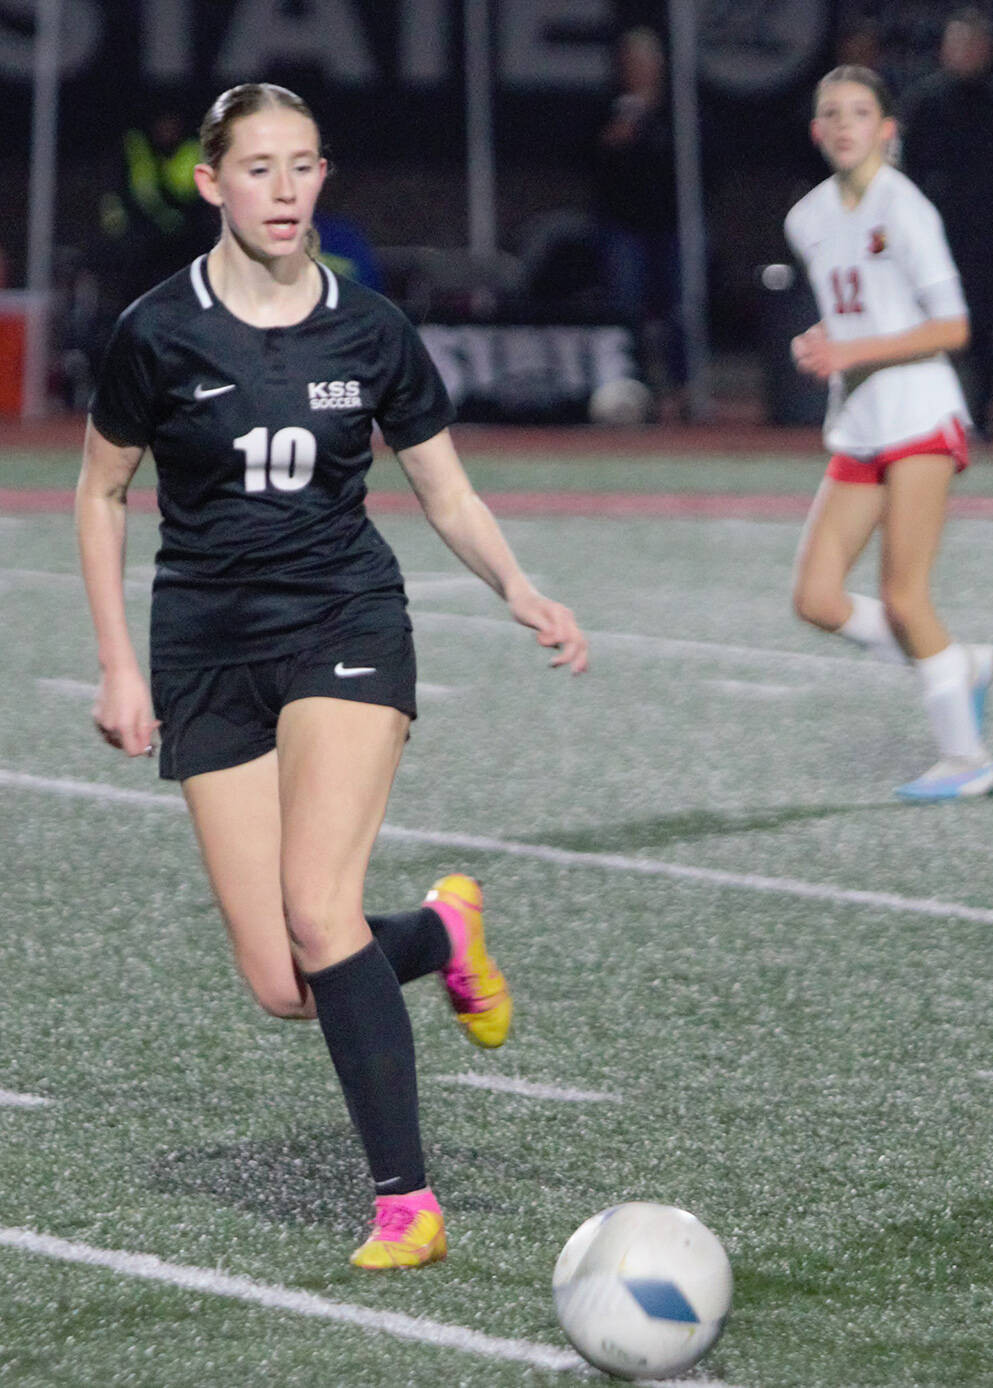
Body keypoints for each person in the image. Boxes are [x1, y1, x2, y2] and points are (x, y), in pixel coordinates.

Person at [75, 83, 589, 1268]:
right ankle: (441, 933)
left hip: (343, 621)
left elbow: (443, 487)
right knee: (283, 978)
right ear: (212, 183)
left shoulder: (370, 330)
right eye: (258, 168)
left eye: (303, 165)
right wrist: (116, 664)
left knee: (317, 909)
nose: (286, 190)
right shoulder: (157, 330)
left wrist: (518, 587)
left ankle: (406, 1201)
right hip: (204, 646)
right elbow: (101, 493)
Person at [785, 65, 993, 802]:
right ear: (817, 132)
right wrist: (824, 339)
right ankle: (958, 663)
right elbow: (864, 313)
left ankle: (967, 759)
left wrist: (849, 350)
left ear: (887, 129)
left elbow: (953, 327)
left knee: (905, 596)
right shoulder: (807, 218)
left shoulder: (905, 208)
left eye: (860, 112)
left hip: (918, 413)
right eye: (832, 113)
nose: (845, 124)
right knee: (815, 598)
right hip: (862, 421)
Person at [898, 7, 993, 442]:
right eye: (957, 43)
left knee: (983, 330)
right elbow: (907, 171)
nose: (964, 53)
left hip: (985, 239)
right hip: (933, 238)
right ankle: (926, 416)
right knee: (926, 327)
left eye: (973, 44)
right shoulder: (924, 103)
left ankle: (981, 415)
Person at [592, 26, 684, 413]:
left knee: (680, 308)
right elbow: (586, 160)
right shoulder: (607, 106)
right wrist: (613, 140)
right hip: (623, 224)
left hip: (671, 224)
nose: (639, 71)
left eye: (645, 63)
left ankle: (680, 389)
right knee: (625, 306)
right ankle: (631, 387)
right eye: (631, 63)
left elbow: (702, 163)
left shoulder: (677, 108)